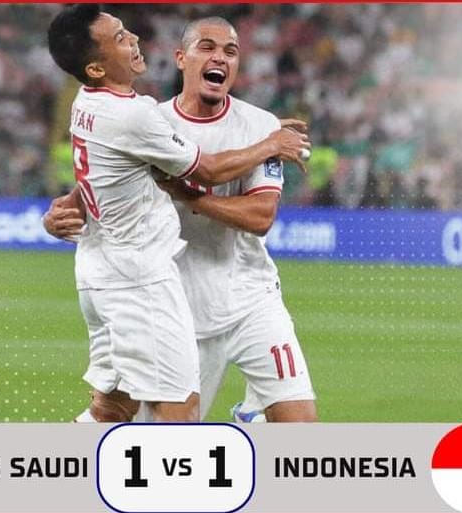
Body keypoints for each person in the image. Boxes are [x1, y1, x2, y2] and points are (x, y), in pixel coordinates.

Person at [46, 5, 312, 423]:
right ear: (181, 58)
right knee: (168, 422)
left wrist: (191, 197)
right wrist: (66, 208)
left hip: (249, 297)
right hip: (171, 299)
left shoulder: (259, 124)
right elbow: (202, 169)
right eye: (206, 47)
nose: (219, 57)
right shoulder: (150, 118)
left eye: (230, 51)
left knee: (299, 427)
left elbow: (261, 217)